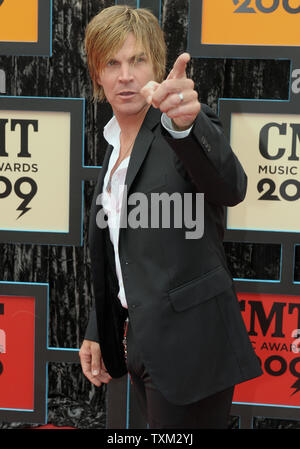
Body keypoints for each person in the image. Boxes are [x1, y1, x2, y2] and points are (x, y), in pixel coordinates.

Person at [79, 5, 262, 429]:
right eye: (112, 63)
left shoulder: (180, 127)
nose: (126, 75)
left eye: (137, 60)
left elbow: (230, 187)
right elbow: (120, 250)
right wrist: (98, 324)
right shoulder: (111, 145)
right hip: (139, 341)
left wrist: (186, 126)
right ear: (97, 75)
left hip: (192, 345)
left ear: (157, 66)